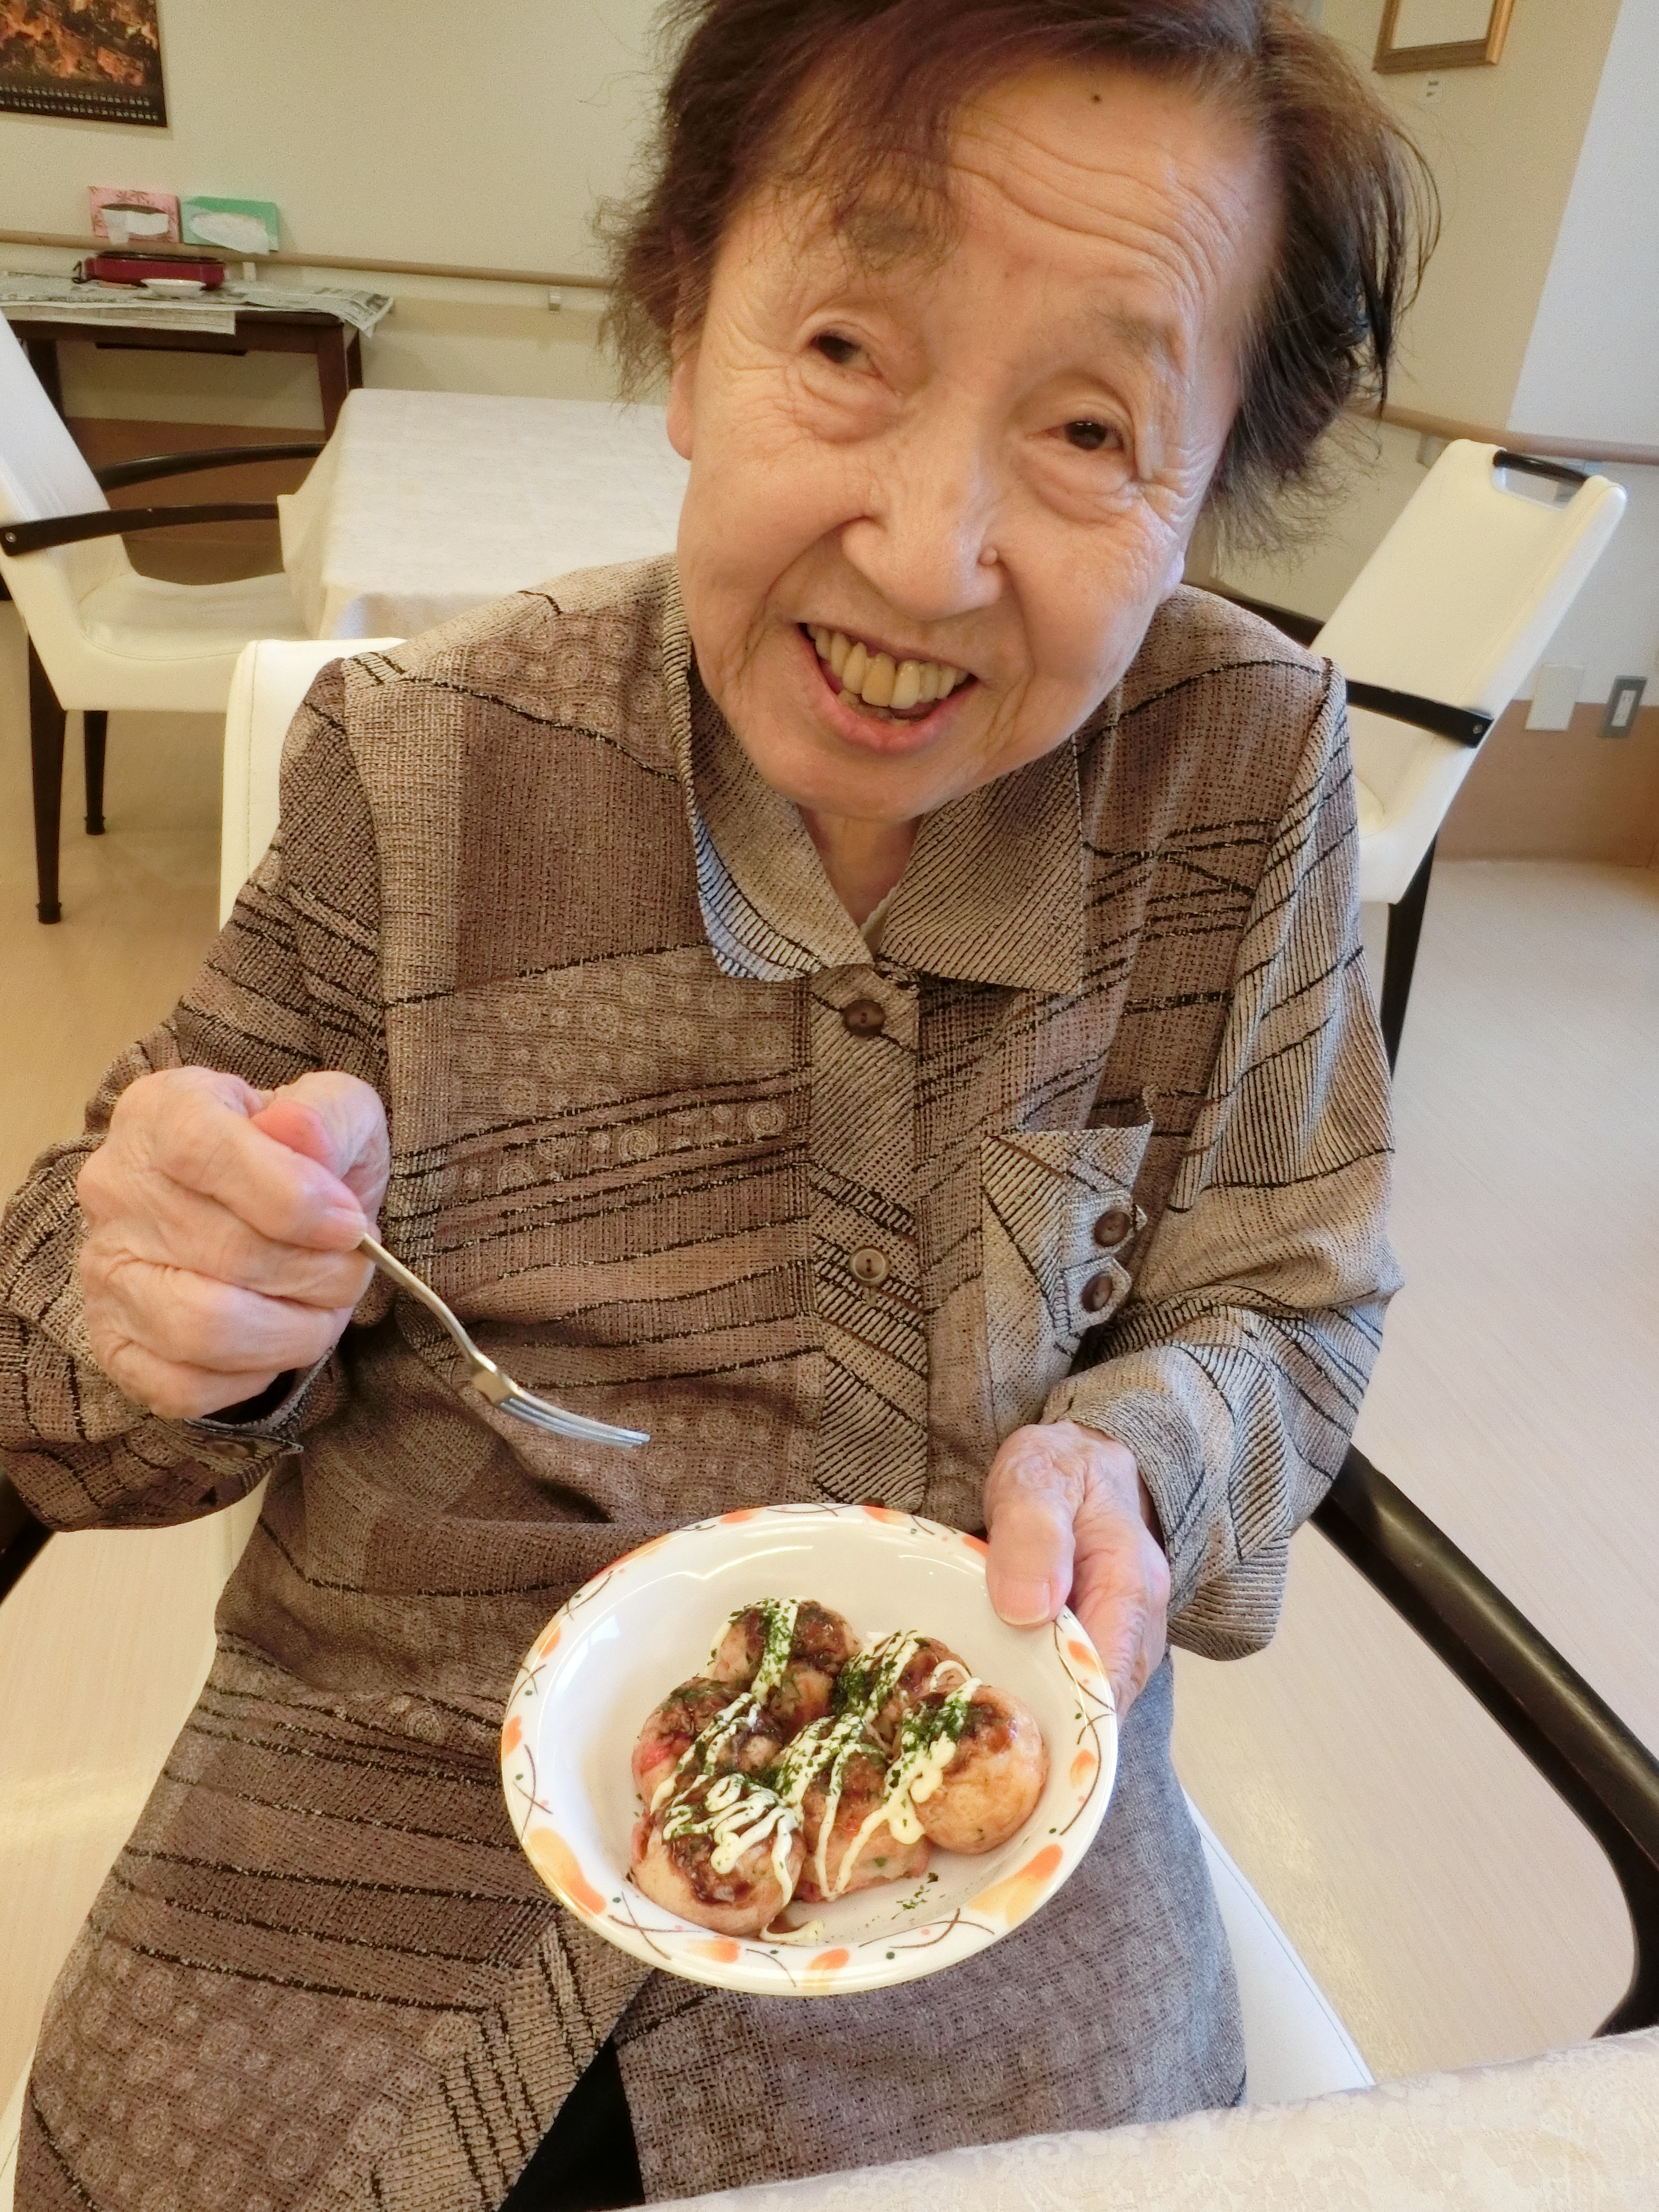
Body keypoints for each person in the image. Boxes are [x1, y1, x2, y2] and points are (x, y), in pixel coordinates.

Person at [0, 3, 1431, 2206]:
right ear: (685, 328)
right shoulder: (428, 754)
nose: (930, 553)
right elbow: (52, 1364)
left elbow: (1293, 1294)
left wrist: (1145, 1453)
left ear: (1213, 478)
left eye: (1089, 428)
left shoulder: (1244, 774)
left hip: (980, 1879)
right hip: (373, 1841)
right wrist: (167, 1302)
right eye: (846, 348)